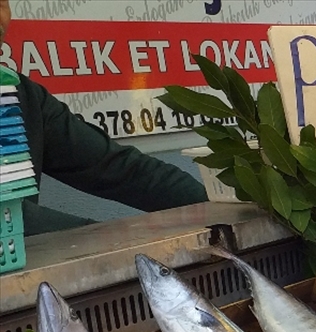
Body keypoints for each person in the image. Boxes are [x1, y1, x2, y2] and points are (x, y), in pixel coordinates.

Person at [0, 0, 208, 236]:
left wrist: (217, 204)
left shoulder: (21, 96)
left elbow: (118, 168)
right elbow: (8, 219)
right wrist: (114, 241)